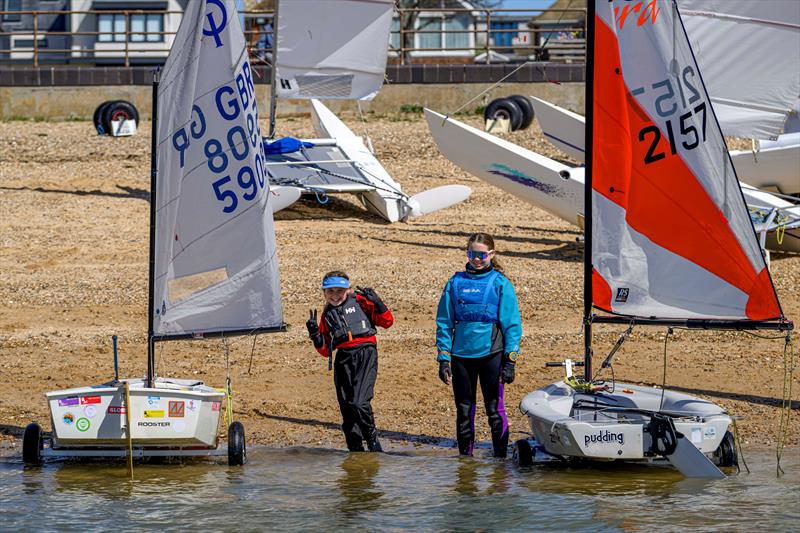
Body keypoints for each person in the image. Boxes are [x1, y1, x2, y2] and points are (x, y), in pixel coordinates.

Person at [435, 233, 522, 458]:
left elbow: (512, 325)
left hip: (492, 355)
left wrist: (510, 359)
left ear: (491, 254)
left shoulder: (501, 283)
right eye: (473, 254)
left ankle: (500, 462)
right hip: (461, 356)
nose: (477, 259)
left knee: (494, 411)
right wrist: (444, 357)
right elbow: (444, 322)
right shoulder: (454, 283)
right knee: (464, 411)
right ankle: (466, 464)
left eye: (481, 255)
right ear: (468, 253)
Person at [306, 271, 394, 452]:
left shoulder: (362, 302)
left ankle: (372, 441)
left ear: (348, 290)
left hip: (365, 354)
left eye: (340, 291)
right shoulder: (326, 315)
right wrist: (315, 334)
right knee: (347, 409)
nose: (335, 295)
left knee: (359, 402)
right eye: (330, 291)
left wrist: (378, 303)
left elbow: (387, 322)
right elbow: (324, 350)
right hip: (343, 360)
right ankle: (355, 452)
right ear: (324, 292)